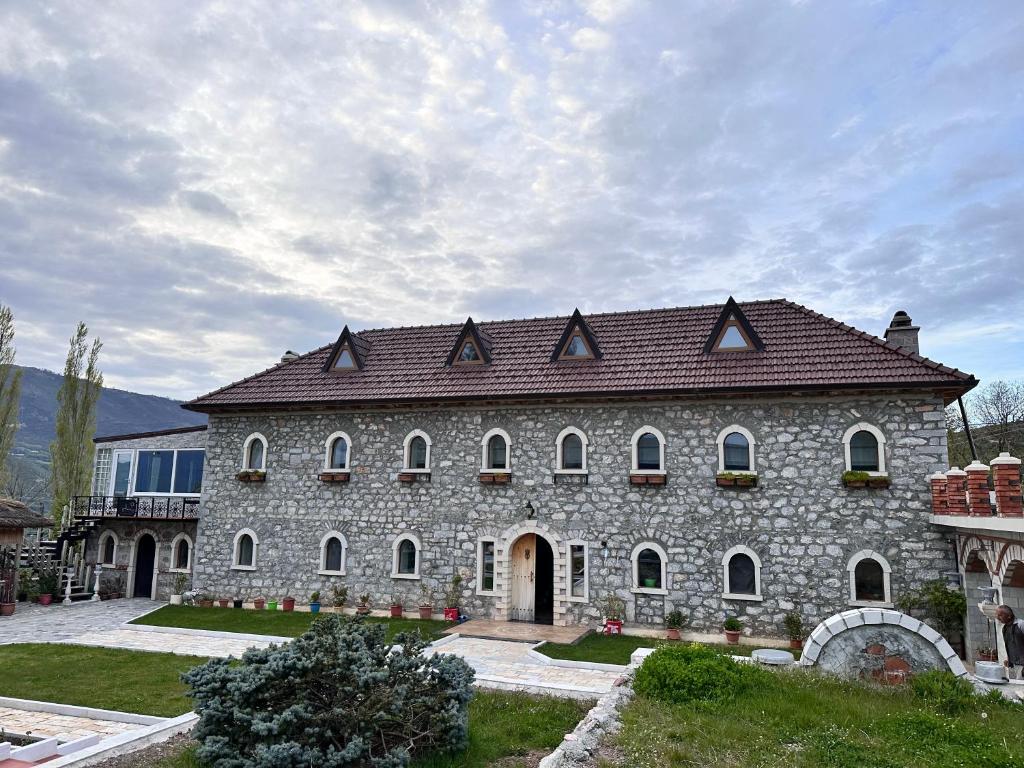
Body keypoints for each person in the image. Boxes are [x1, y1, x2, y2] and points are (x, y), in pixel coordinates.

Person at [995, 604, 1024, 679]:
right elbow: (1009, 645)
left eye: (1000, 615)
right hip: (1013, 664)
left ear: (1009, 616)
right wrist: (1008, 659)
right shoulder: (1004, 628)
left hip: (1022, 664)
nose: (998, 618)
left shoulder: (1020, 624)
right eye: (997, 615)